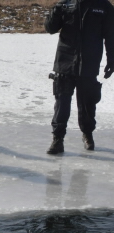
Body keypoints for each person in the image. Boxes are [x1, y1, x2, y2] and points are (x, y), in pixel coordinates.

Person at [44, 0, 114, 154]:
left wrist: (112, 59)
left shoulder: (103, 6)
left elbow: (111, 35)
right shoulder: (66, 4)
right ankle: (58, 139)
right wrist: (56, 11)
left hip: (89, 64)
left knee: (87, 103)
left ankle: (87, 135)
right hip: (65, 62)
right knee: (61, 103)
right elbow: (50, 28)